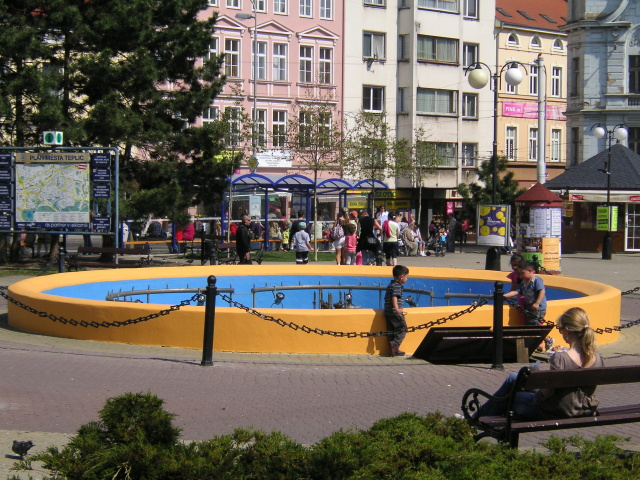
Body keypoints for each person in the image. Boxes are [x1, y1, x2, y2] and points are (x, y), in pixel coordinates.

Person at [476, 307, 603, 420]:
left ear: (567, 330)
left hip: (555, 410)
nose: (561, 332)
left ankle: (478, 419)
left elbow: (547, 393)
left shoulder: (560, 358)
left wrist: (538, 378)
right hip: (582, 408)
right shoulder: (597, 358)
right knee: (514, 378)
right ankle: (479, 416)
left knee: (512, 395)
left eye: (560, 329)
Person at [504, 260, 547, 325]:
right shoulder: (524, 282)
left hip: (538, 309)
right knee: (528, 323)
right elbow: (516, 291)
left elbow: (542, 291)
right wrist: (504, 296)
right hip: (529, 308)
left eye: (522, 273)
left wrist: (537, 303)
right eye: (519, 274)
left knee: (534, 323)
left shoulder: (536, 280)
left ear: (529, 271)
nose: (520, 276)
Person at [384, 265, 409, 357]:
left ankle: (393, 349)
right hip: (395, 312)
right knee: (402, 329)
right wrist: (397, 309)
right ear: (401, 277)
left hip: (388, 312)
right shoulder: (397, 286)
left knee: (392, 331)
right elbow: (394, 297)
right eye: (406, 277)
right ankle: (395, 345)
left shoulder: (391, 285)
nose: (407, 279)